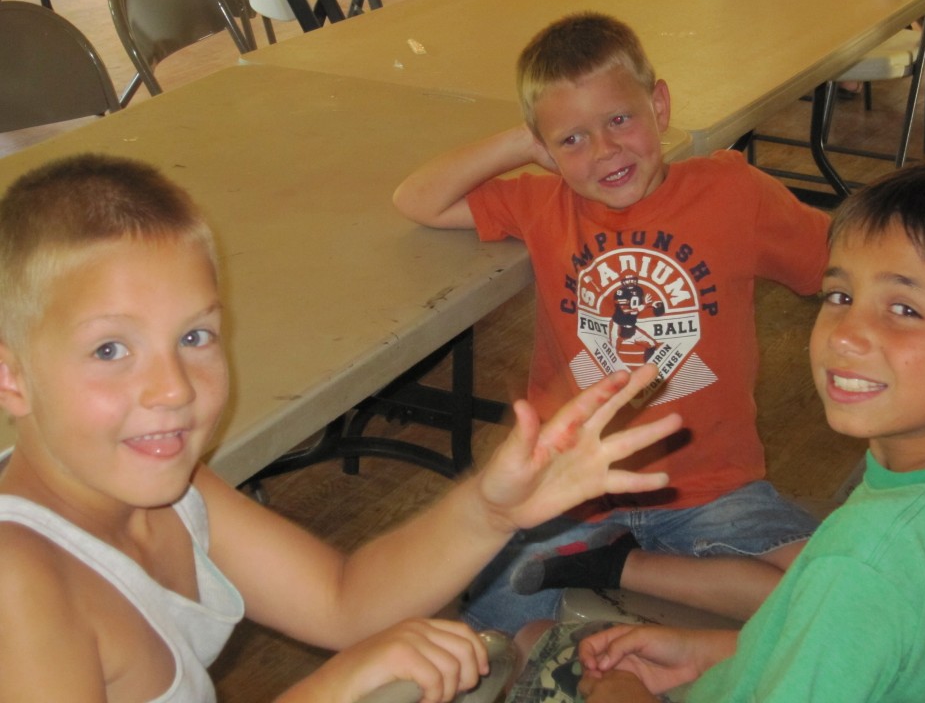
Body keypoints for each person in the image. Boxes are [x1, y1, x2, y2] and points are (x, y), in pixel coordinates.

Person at [0, 153, 685, 703]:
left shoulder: (171, 493)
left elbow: (343, 601)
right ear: (11, 377)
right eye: (110, 350)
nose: (173, 388)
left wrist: (491, 511)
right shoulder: (20, 585)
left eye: (195, 336)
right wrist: (330, 689)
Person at [504, 155, 925, 702]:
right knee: (542, 639)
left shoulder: (861, 567)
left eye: (904, 309)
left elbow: (851, 617)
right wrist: (705, 652)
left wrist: (622, 695)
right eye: (840, 296)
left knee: (525, 644)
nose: (845, 334)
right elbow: (852, 652)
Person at [392, 12, 831, 634]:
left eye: (619, 119)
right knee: (497, 632)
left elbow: (837, 265)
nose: (604, 151)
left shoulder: (734, 193)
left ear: (660, 106)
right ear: (546, 149)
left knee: (831, 597)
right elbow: (417, 199)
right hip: (570, 489)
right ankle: (578, 618)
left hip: (709, 486)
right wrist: (525, 143)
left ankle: (622, 568)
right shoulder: (542, 203)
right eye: (571, 139)